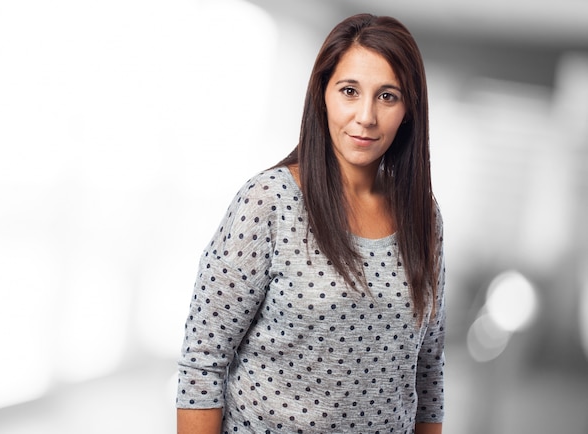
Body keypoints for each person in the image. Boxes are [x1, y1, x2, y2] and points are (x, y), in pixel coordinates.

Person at [176, 13, 446, 434]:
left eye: (387, 96)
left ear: (409, 110)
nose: (366, 116)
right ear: (322, 95)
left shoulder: (422, 216)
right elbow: (203, 361)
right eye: (349, 91)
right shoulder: (268, 202)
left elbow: (428, 369)